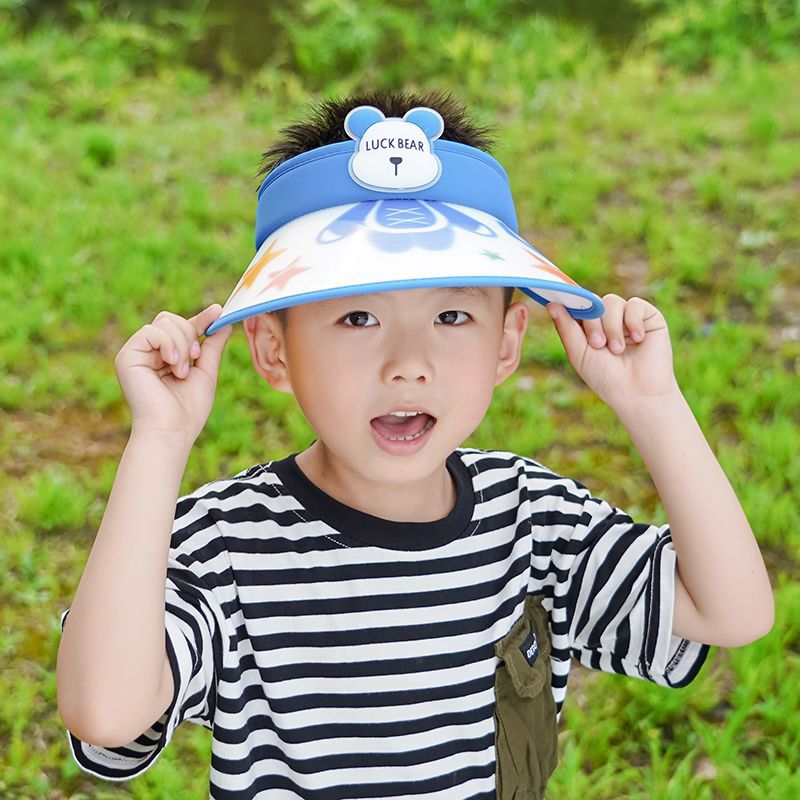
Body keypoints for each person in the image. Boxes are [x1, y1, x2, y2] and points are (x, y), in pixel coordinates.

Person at [56, 89, 774, 800]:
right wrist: (160, 438)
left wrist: (653, 404)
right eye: (358, 317)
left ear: (506, 343)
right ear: (274, 350)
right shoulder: (225, 545)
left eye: (452, 315)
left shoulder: (534, 519)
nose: (409, 362)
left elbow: (732, 612)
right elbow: (107, 713)